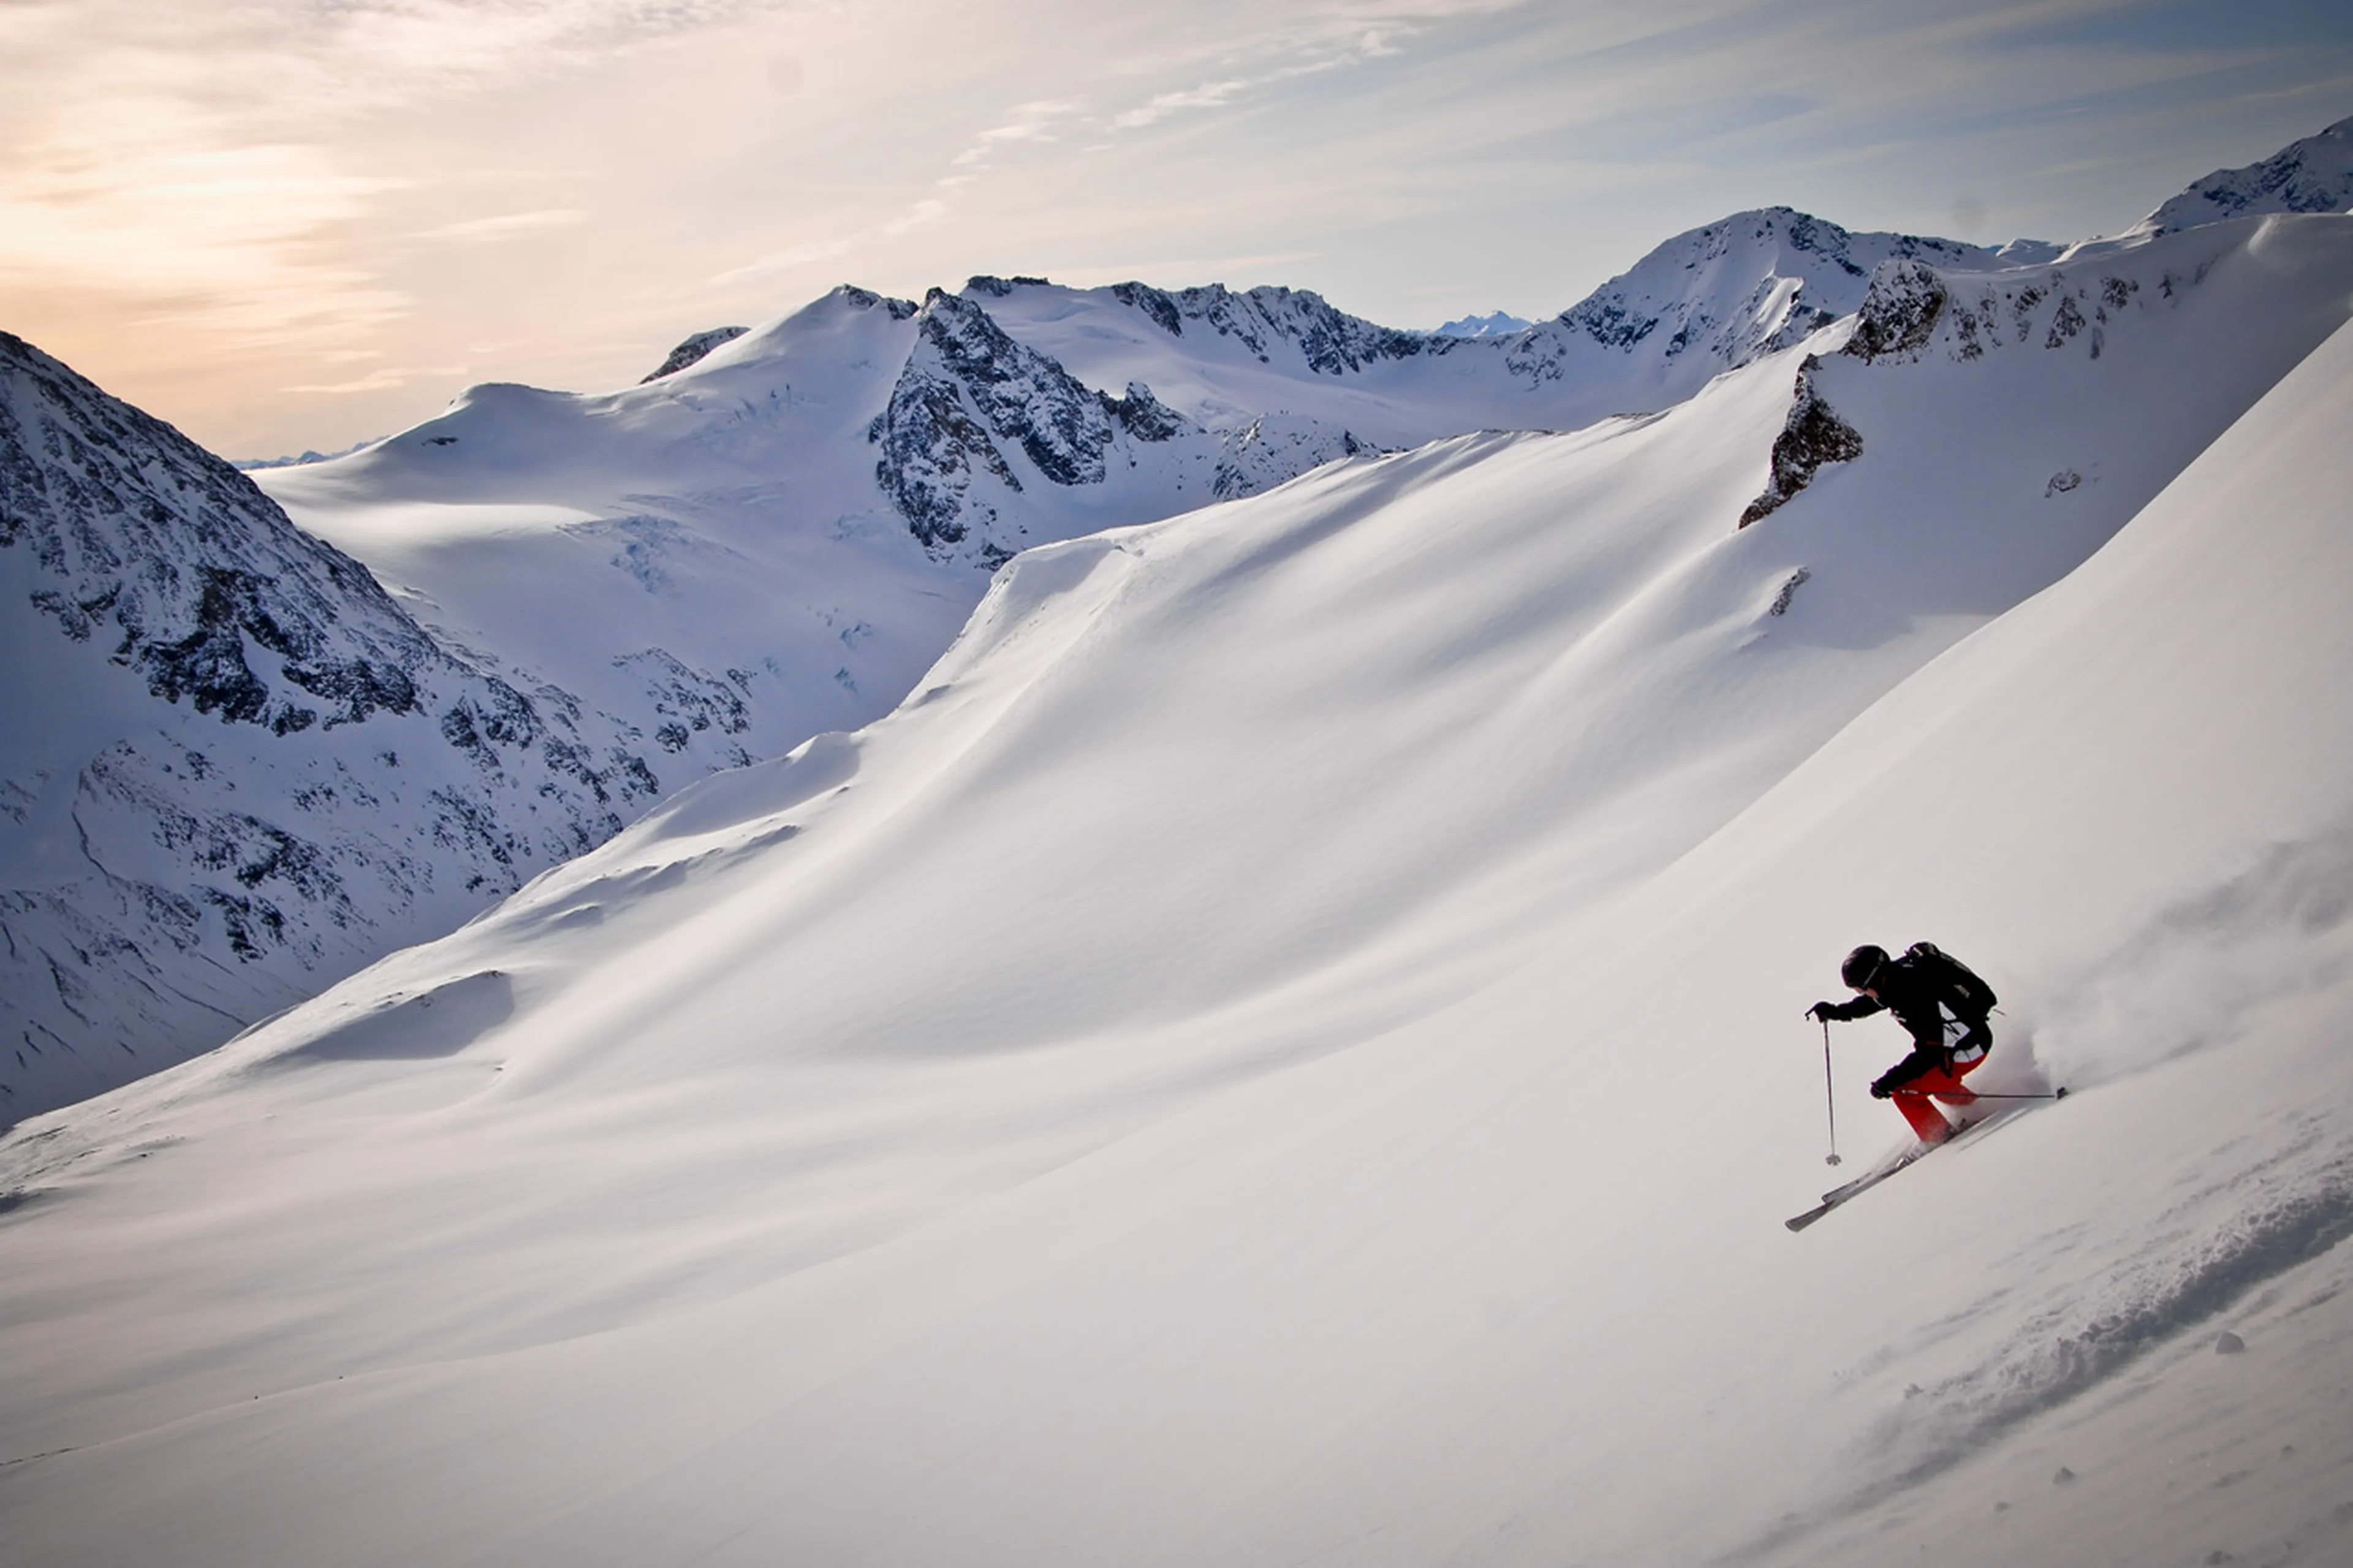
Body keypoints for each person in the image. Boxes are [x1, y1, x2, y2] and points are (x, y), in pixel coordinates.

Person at [1807, 942, 1994, 1145]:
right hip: (1971, 1039)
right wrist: (1836, 1012)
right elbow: (1875, 1002)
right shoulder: (1898, 976)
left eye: (1861, 990)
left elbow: (1929, 1052)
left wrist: (1889, 1082)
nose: (1862, 994)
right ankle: (1978, 1106)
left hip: (1967, 1049)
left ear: (1874, 981)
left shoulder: (1912, 998)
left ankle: (1940, 1139)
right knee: (1935, 1087)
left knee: (1905, 1093)